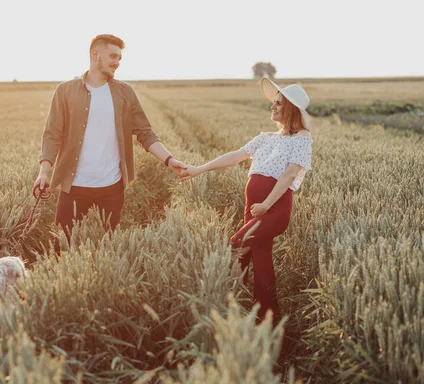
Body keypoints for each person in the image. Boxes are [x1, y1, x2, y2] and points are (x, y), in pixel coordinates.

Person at [180, 77, 313, 322]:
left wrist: (266, 205)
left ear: (292, 109)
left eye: (279, 103)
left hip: (273, 209)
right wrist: (199, 169)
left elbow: (290, 174)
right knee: (261, 258)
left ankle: (229, 301)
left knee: (236, 243)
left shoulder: (302, 138)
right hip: (253, 209)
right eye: (273, 102)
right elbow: (236, 156)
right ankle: (266, 317)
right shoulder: (265, 137)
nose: (273, 106)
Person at [34, 34, 185, 245]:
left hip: (112, 187)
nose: (117, 62)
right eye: (113, 56)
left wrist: (169, 160)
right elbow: (52, 134)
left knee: (108, 247)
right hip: (74, 186)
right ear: (95, 54)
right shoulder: (65, 91)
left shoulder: (124, 92)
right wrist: (44, 172)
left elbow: (145, 132)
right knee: (62, 247)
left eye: (120, 58)